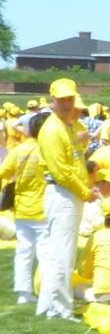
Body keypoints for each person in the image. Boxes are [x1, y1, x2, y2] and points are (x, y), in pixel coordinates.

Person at [36, 79, 94, 320]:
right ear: (53, 100)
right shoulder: (53, 130)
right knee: (63, 255)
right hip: (63, 193)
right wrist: (85, 191)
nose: (68, 104)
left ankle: (49, 305)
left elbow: (73, 162)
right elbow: (61, 171)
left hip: (67, 193)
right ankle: (59, 309)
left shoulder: (65, 126)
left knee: (58, 253)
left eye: (70, 99)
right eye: (62, 100)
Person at [2, 110, 47, 304]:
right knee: (46, 253)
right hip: (44, 208)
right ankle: (46, 290)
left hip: (22, 207)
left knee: (24, 252)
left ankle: (23, 293)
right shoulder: (48, 151)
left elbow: (3, 172)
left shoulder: (18, 151)